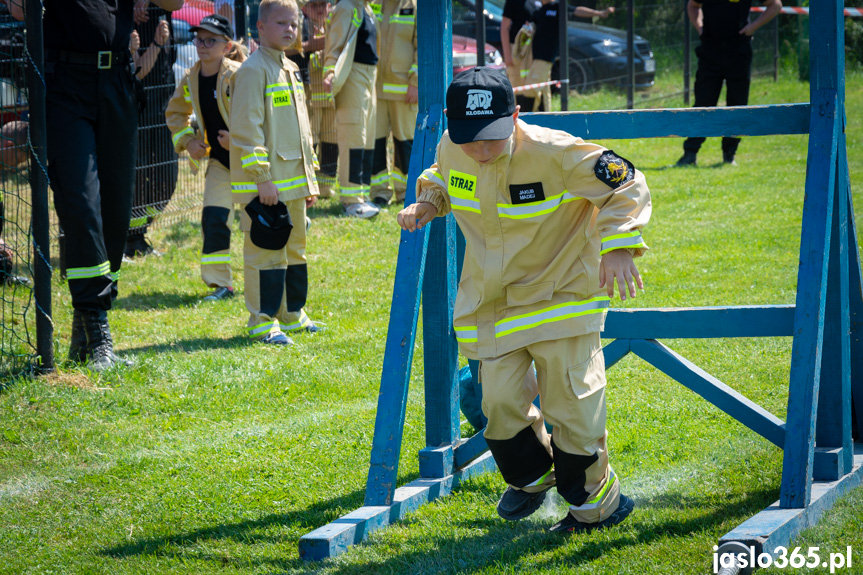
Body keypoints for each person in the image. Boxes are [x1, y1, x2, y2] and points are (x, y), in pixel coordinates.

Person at [397, 67, 651, 533]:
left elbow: (625, 183)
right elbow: (443, 174)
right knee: (498, 405)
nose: (481, 149)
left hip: (562, 298)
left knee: (573, 408)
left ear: (516, 115)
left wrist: (618, 246)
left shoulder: (557, 152)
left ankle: (596, 507)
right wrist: (429, 202)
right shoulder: (455, 145)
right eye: (471, 138)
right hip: (494, 305)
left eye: (492, 137)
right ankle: (533, 477)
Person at [5, 0, 183, 372]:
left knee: (116, 211)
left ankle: (84, 332)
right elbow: (21, 10)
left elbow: (175, 3)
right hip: (65, 83)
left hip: (118, 80)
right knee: (81, 202)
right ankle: (98, 328)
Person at [230, 0, 322, 345]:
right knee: (266, 252)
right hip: (266, 187)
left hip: (294, 184)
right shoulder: (253, 71)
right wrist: (261, 178)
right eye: (281, 23)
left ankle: (292, 314)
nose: (290, 30)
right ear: (261, 28)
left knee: (295, 249)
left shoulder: (290, 67)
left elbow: (301, 131)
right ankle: (262, 321)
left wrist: (309, 178)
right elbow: (246, 131)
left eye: (294, 24)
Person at [166, 14, 246, 303]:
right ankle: (220, 284)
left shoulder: (240, 74)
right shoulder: (191, 77)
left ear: (226, 46)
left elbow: (260, 118)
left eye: (210, 40)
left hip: (251, 162)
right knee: (214, 218)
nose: (202, 45)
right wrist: (188, 141)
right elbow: (175, 114)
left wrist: (236, 139)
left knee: (259, 224)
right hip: (220, 164)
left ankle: (267, 276)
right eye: (199, 38)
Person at [676, 0, 782, 167]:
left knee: (737, 103)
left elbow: (775, 5)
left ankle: (729, 155)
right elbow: (693, 5)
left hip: (739, 50)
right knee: (703, 102)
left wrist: (752, 28)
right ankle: (690, 154)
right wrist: (700, 28)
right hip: (710, 50)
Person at [125, 1, 180, 258]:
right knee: (137, 170)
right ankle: (131, 237)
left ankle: (139, 229)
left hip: (163, 95)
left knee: (166, 175)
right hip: (136, 100)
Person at [322, 0, 380, 218]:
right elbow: (334, 45)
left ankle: (361, 196)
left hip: (368, 77)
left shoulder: (364, 7)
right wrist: (329, 73)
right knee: (353, 138)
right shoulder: (347, 6)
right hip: (352, 77)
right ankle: (351, 202)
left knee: (365, 139)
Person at [519, 0, 613, 112]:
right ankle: (546, 116)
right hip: (535, 57)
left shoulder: (557, 6)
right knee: (544, 91)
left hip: (546, 57)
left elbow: (577, 10)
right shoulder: (538, 10)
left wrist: (598, 13)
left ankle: (526, 116)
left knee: (531, 89)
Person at [368, 0, 417, 207]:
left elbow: (422, 46)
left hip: (403, 89)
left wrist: (415, 81)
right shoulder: (374, 4)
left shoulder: (415, 6)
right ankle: (380, 192)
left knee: (404, 143)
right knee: (376, 143)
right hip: (374, 88)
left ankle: (407, 192)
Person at [289, 0, 338, 199]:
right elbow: (286, 49)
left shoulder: (334, 23)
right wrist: (313, 45)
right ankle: (307, 185)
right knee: (308, 140)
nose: (319, 9)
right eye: (314, 5)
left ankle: (326, 187)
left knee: (330, 138)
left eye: (323, 4)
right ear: (305, 8)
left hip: (329, 94)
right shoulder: (298, 24)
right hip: (306, 91)